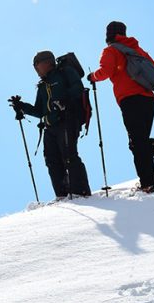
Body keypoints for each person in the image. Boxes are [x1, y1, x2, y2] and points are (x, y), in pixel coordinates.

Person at [88, 21, 154, 193]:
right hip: (149, 101)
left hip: (129, 99)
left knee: (137, 142)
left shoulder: (110, 50)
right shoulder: (138, 51)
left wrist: (92, 77)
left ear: (108, 35)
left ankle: (149, 183)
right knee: (139, 140)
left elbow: (106, 71)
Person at [10, 51, 92, 199]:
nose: (36, 69)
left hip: (67, 120)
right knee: (51, 160)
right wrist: (21, 106)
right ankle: (62, 195)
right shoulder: (43, 86)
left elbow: (78, 87)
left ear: (47, 62)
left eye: (37, 65)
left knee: (69, 156)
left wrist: (63, 99)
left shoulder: (64, 73)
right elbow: (39, 110)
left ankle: (80, 192)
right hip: (50, 126)